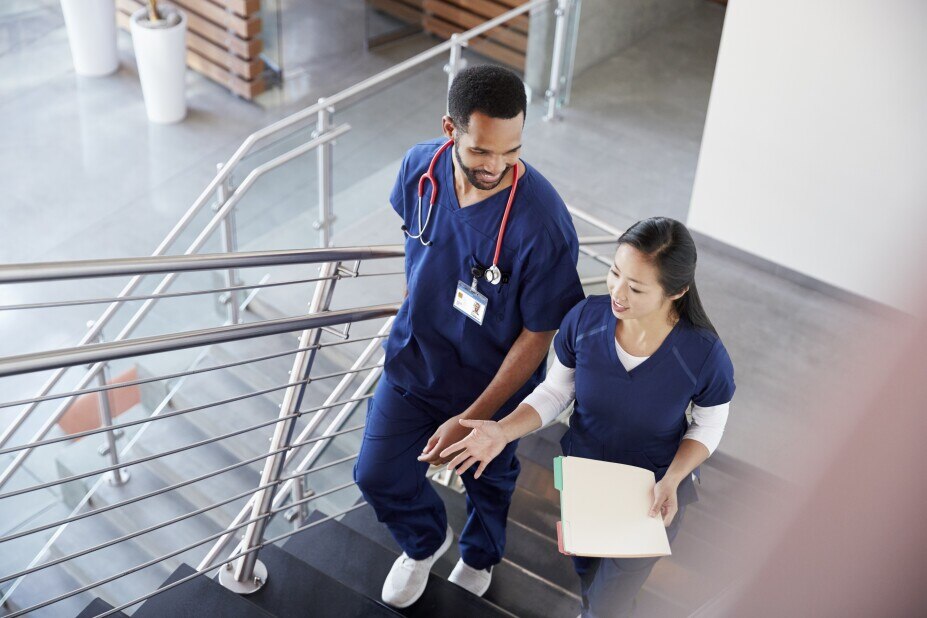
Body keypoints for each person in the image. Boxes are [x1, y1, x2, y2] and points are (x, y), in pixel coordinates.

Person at [353, 64, 585, 608]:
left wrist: (476, 417)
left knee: (490, 481)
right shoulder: (420, 168)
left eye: (512, 151)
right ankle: (426, 541)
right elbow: (419, 244)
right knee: (376, 474)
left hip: (493, 389)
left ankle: (480, 554)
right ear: (450, 128)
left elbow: (538, 334)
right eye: (482, 151)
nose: (497, 166)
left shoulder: (542, 223)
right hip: (414, 362)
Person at [440, 217, 735, 617]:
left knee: (611, 598)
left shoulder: (703, 355)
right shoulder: (584, 320)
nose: (617, 291)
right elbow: (556, 390)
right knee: (586, 569)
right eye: (615, 273)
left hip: (652, 493)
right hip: (585, 477)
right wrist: (502, 431)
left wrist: (674, 478)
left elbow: (709, 423)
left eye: (636, 287)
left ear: (677, 291)